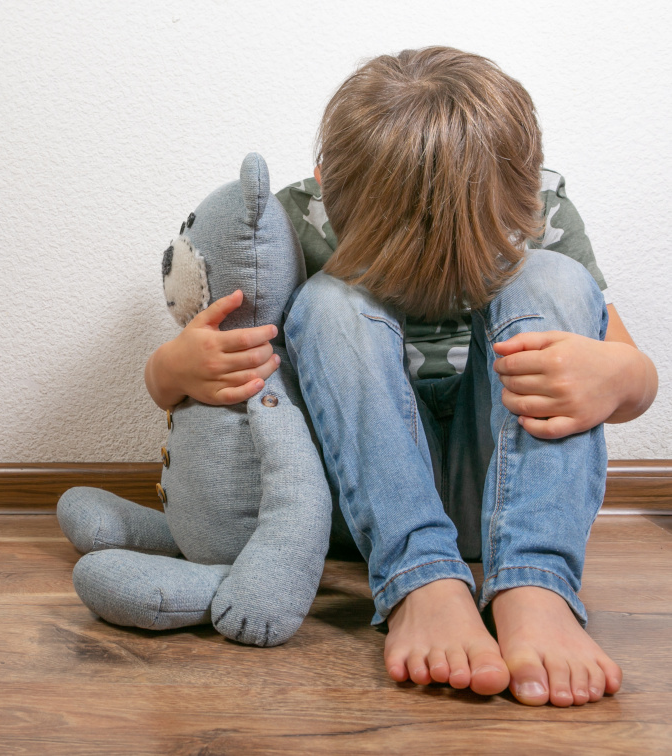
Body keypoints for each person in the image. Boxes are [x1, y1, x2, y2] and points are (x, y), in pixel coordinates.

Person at [144, 47, 657, 707]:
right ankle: (421, 583)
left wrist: (619, 376)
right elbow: (178, 392)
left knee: (555, 278)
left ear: (527, 193)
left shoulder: (541, 207)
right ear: (325, 184)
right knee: (330, 300)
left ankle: (536, 584)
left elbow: (635, 377)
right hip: (365, 496)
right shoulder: (296, 222)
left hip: (501, 489)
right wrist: (173, 367)